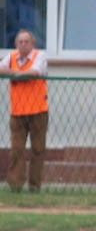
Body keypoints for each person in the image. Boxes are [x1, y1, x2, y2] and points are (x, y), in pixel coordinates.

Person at [1, 29, 49, 193]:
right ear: (16, 44)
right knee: (17, 150)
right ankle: (15, 186)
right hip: (18, 111)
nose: (23, 44)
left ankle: (35, 186)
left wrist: (14, 74)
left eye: (26, 41)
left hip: (38, 111)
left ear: (32, 44)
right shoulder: (12, 57)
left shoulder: (39, 56)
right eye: (20, 42)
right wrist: (19, 73)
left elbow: (34, 72)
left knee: (37, 149)